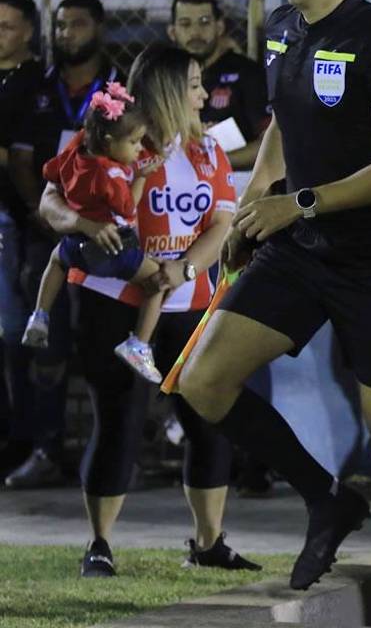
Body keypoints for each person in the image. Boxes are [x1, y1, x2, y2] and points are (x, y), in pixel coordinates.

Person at [175, 0, 371, 627]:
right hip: (300, 250)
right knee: (202, 382)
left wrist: (300, 203)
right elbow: (282, 129)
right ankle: (328, 500)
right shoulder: (283, 29)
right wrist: (250, 208)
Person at [39, 42, 257, 577]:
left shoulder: (209, 148)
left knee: (207, 420)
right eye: (194, 85)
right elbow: (50, 201)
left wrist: (184, 269)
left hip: (187, 300)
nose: (204, 95)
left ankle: (209, 544)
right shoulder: (111, 134)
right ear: (166, 90)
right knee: (120, 419)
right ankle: (99, 544)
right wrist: (85, 225)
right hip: (111, 298)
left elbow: (222, 223)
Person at [6, 0, 125, 489]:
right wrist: (41, 213)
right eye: (60, 25)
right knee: (45, 344)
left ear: (99, 29)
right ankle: (47, 447)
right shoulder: (36, 84)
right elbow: (20, 160)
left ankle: (113, 452)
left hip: (108, 237)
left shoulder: (121, 85)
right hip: (46, 233)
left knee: (104, 345)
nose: (66, 34)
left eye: (77, 24)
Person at [23, 82, 166, 383]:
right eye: (134, 142)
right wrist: (140, 177)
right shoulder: (110, 174)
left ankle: (40, 315)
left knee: (56, 261)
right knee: (159, 281)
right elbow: (128, 208)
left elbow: (50, 171)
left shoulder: (75, 154)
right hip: (112, 248)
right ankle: (139, 345)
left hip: (75, 244)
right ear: (110, 141)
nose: (139, 149)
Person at [0, 0, 44, 479]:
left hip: (13, 222)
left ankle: (22, 436)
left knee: (14, 334)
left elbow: (20, 155)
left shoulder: (34, 82)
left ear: (29, 31)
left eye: (6, 26)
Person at [167, 0, 269, 170]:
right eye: (185, 24)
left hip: (236, 179)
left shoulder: (248, 73)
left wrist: (214, 161)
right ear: (172, 32)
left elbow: (270, 142)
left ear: (220, 27)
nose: (195, 32)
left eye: (204, 22)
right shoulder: (163, 77)